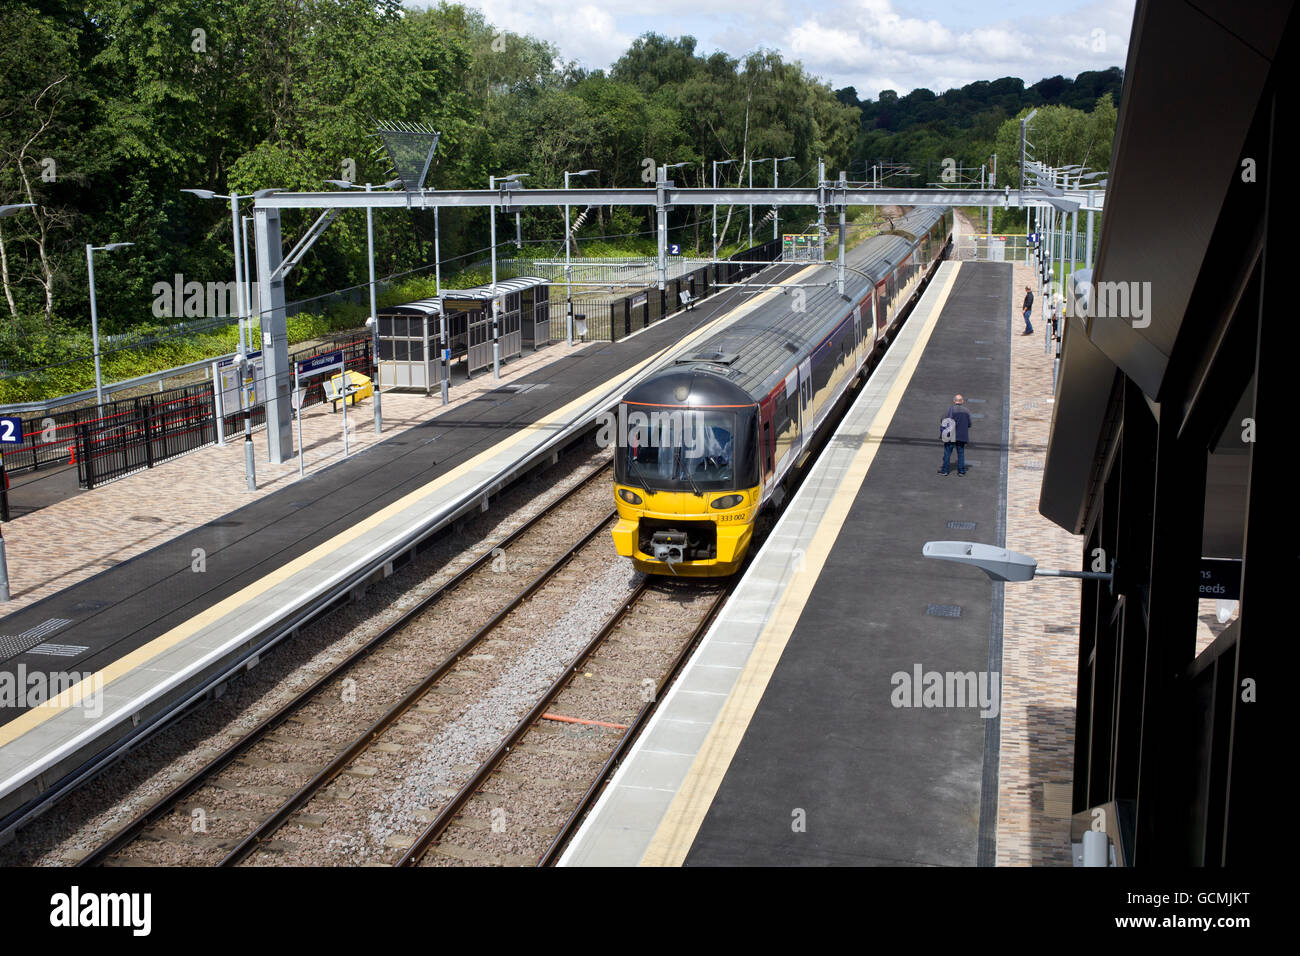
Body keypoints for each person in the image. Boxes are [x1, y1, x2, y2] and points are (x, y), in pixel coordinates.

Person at [938, 394, 972, 476]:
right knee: (961, 453)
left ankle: (945, 470)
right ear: (962, 401)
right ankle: (961, 471)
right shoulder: (967, 411)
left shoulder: (949, 410)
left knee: (947, 453)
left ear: (954, 401)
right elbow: (969, 424)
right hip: (961, 436)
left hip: (950, 435)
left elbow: (942, 420)